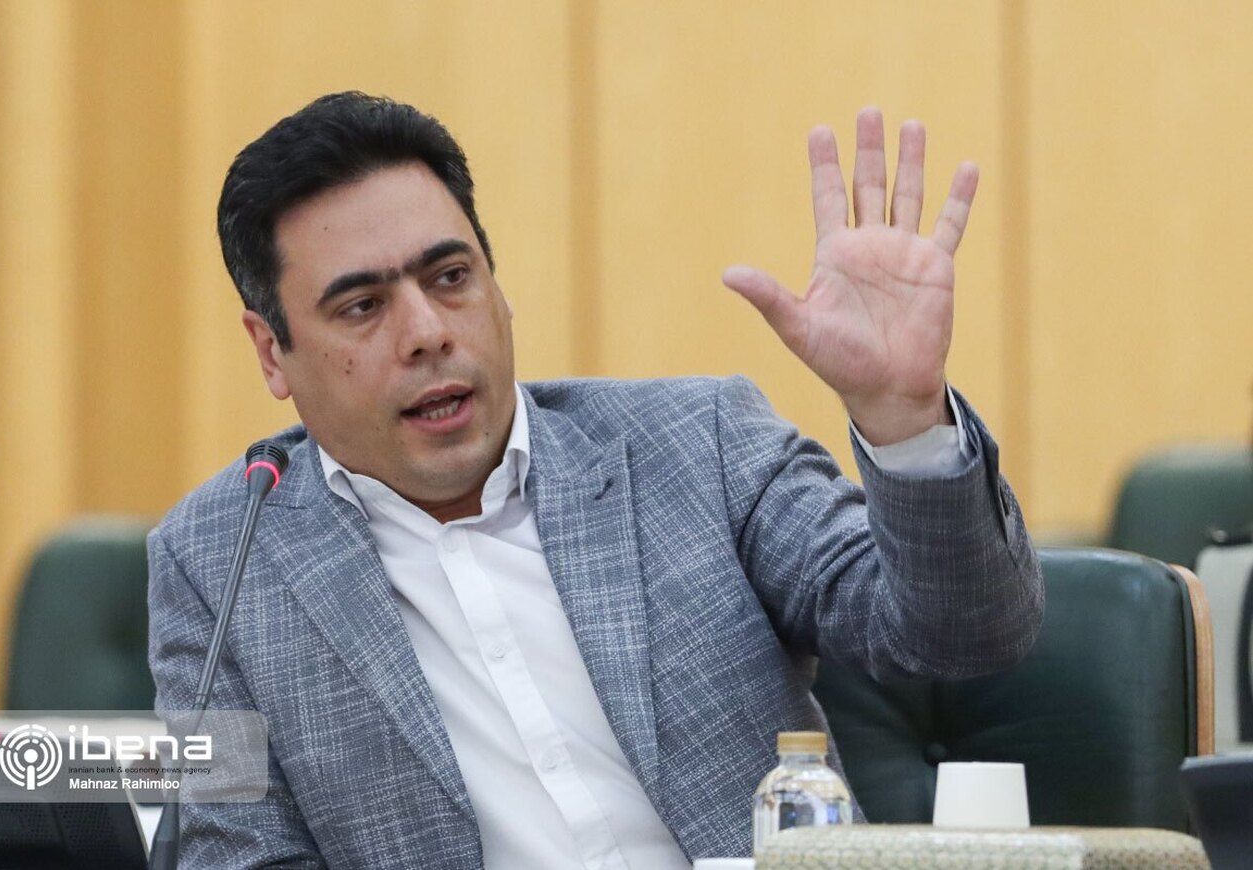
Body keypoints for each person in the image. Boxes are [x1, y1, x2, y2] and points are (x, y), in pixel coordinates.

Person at [147, 91, 1043, 869]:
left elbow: (959, 636)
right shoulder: (218, 563)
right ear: (272, 352)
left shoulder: (697, 444)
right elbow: (238, 853)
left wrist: (901, 418)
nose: (426, 332)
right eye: (361, 306)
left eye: (450, 277)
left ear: (497, 288)